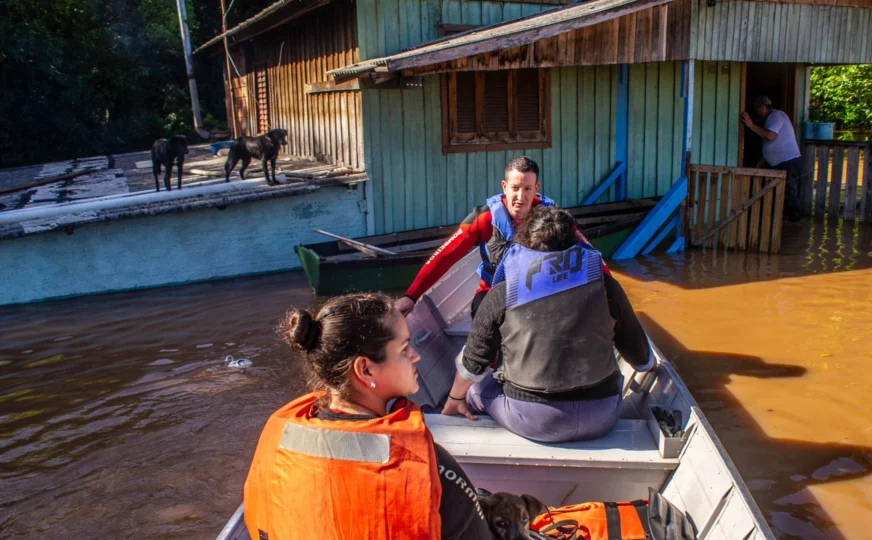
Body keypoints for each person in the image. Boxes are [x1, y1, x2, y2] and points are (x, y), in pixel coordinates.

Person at [243, 293, 492, 540]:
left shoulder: (283, 435)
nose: (416, 356)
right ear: (365, 370)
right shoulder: (425, 465)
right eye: (404, 349)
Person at [440, 207, 654, 443]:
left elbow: (472, 365)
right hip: (602, 415)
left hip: (533, 420)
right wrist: (650, 364)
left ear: (523, 243)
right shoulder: (605, 285)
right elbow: (642, 361)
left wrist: (455, 399)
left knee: (475, 389)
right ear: (575, 241)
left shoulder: (502, 292)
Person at [394, 156, 561, 319]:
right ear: (504, 186)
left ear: (536, 188)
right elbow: (445, 255)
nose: (520, 197)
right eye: (515, 188)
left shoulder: (552, 216)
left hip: (539, 290)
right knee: (485, 316)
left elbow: (583, 250)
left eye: (527, 189)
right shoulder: (483, 218)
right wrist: (411, 296)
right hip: (493, 290)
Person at [740, 95, 804, 221]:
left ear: (763, 107)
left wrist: (751, 125)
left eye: (757, 110)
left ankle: (795, 222)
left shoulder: (777, 116)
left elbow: (770, 136)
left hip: (788, 161)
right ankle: (782, 219)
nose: (756, 113)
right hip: (779, 163)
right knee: (780, 192)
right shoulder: (770, 120)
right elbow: (768, 147)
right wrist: (757, 167)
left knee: (789, 192)